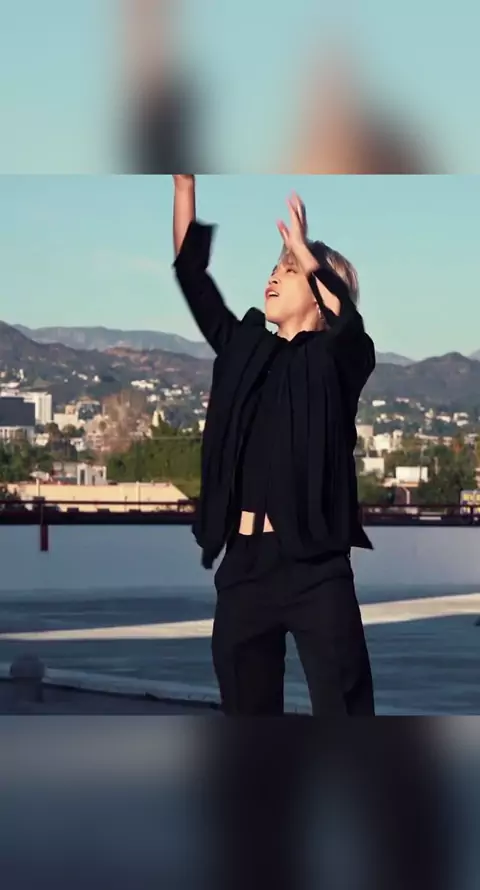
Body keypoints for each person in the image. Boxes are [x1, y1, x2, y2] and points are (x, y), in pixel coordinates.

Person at [172, 174, 376, 716]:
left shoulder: (340, 361)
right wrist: (184, 187)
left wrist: (307, 255)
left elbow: (348, 325)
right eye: (276, 267)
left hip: (315, 567)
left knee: (347, 714)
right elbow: (192, 276)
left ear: (319, 292)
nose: (274, 275)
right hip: (244, 567)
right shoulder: (244, 349)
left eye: (288, 270)